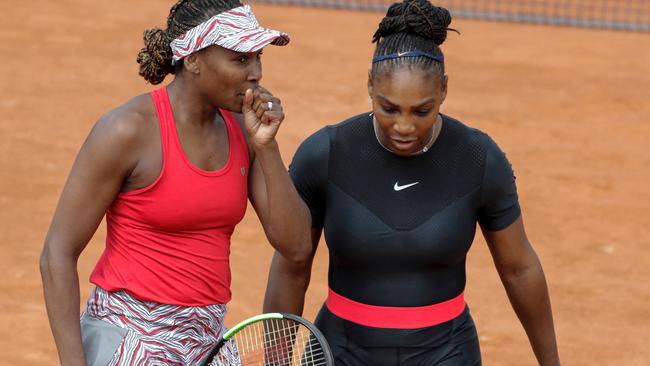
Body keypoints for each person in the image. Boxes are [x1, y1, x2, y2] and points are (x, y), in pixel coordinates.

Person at [263, 0, 561, 365]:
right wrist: (274, 361)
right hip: (341, 353)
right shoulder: (325, 153)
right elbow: (292, 265)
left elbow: (519, 268)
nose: (404, 127)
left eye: (422, 111)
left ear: (444, 92)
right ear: (370, 85)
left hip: (447, 354)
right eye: (389, 108)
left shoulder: (478, 158)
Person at [39, 0, 311, 365]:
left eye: (258, 57)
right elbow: (56, 252)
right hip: (129, 338)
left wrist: (267, 146)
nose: (256, 72)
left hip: (207, 342)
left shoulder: (243, 132)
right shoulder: (127, 130)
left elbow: (295, 246)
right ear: (193, 60)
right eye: (240, 59)